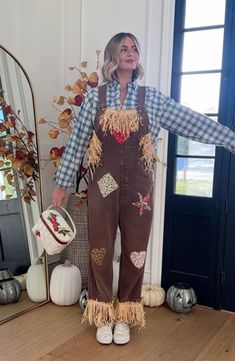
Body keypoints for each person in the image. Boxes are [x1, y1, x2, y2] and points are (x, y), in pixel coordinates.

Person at [52, 32, 235, 345]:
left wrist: (229, 138)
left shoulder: (152, 98)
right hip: (103, 186)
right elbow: (78, 142)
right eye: (123, 48)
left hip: (139, 188)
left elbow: (189, 120)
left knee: (135, 250)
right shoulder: (97, 98)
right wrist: (62, 184)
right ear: (113, 56)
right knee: (100, 250)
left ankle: (124, 314)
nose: (130, 52)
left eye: (134, 48)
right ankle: (101, 313)